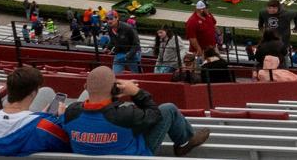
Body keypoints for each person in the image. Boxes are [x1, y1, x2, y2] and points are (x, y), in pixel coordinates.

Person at [63, 66, 210, 156]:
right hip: (134, 154)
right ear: (114, 89)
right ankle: (184, 142)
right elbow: (155, 114)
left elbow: (98, 112)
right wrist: (136, 93)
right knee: (168, 109)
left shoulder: (70, 113)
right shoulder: (125, 116)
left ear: (85, 87)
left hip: (101, 149)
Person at [0, 66, 70, 156]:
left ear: (8, 89)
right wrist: (62, 118)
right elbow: (71, 146)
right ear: (33, 93)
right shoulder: (45, 127)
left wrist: (40, 116)